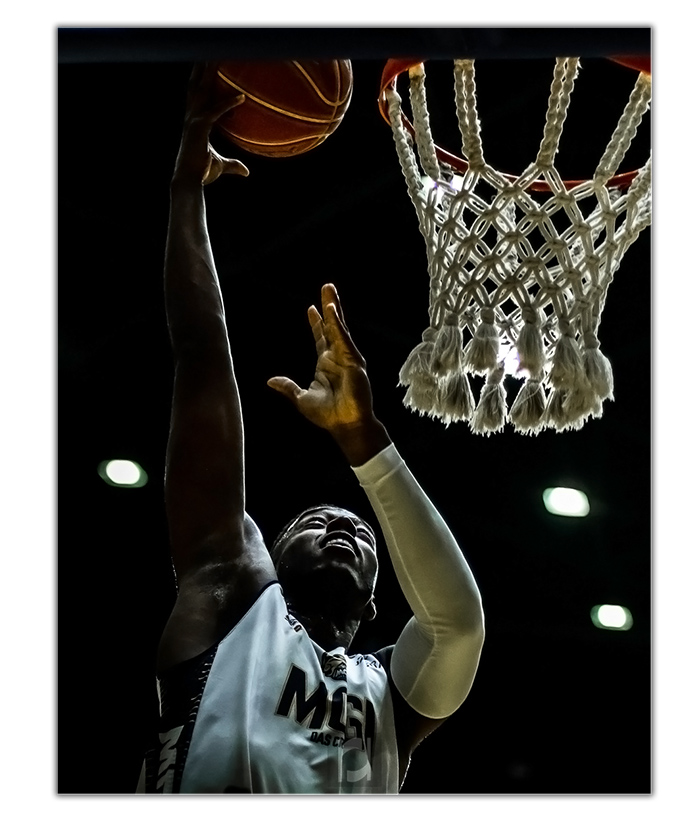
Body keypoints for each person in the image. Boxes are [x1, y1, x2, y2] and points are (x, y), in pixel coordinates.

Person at [137, 63, 485, 794]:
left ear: (373, 604)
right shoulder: (230, 593)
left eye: (360, 534)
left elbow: (456, 620)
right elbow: (201, 355)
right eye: (316, 521)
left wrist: (366, 439)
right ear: (269, 549)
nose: (345, 530)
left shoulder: (391, 696)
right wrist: (183, 192)